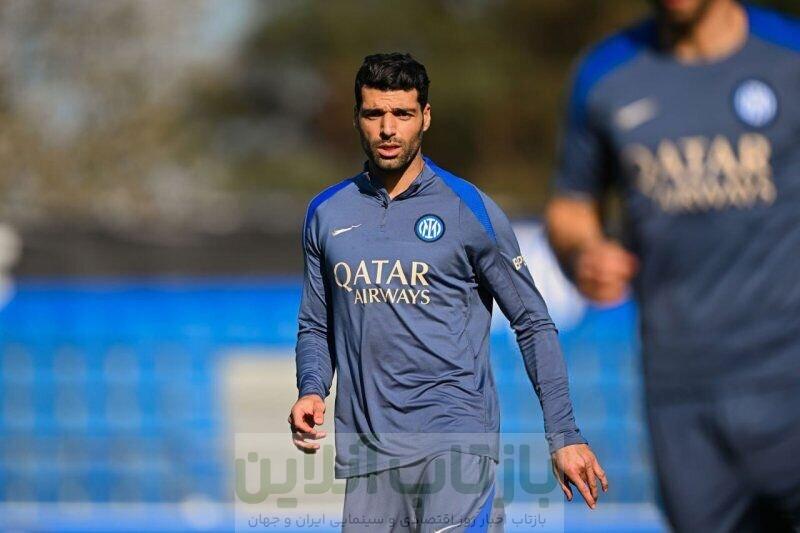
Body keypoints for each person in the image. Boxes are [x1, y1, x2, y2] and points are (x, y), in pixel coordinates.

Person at [288, 52, 607, 531]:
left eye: (402, 113)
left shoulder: (468, 209)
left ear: (426, 117)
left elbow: (532, 321)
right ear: (357, 118)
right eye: (374, 114)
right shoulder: (326, 213)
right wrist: (312, 388)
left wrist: (563, 433)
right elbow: (316, 324)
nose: (388, 129)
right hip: (369, 456)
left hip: (456, 443)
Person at [546, 1, 800, 531]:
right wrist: (584, 252)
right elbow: (571, 208)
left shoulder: (788, 55)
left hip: (787, 373)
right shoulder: (606, 75)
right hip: (681, 394)